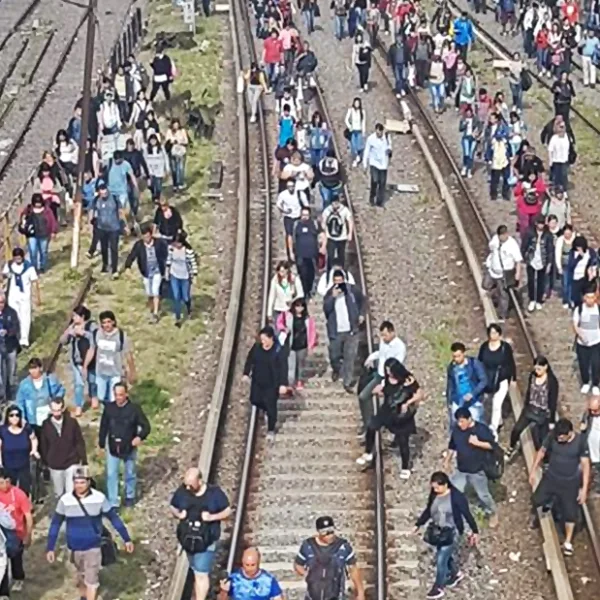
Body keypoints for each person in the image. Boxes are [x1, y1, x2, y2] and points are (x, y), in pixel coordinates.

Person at [46, 466, 134, 600]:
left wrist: (126, 539)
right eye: (76, 482)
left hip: (93, 546)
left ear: (88, 482)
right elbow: (55, 524)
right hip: (74, 548)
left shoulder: (99, 498)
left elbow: (113, 518)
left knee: (92, 580)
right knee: (80, 578)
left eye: (82, 482)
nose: (79, 485)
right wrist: (50, 547)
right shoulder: (65, 500)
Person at [414, 471, 478, 600]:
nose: (435, 490)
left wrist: (474, 531)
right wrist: (419, 524)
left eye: (437, 487)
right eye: (433, 487)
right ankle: (455, 574)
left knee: (441, 559)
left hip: (452, 532)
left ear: (445, 484)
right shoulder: (434, 495)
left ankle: (438, 587)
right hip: (438, 531)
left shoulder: (457, 497)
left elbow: (467, 514)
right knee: (444, 556)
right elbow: (428, 510)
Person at [530, 418, 590, 556]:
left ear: (570, 433)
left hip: (570, 483)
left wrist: (584, 489)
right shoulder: (552, 436)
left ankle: (568, 542)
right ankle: (537, 515)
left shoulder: (580, 442)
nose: (559, 439)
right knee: (537, 499)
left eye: (562, 437)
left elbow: (586, 465)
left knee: (570, 514)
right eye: (558, 437)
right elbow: (542, 451)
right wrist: (533, 470)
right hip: (551, 477)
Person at [170, 468, 231, 600]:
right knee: (194, 568)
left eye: (191, 484)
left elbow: (227, 512)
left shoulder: (214, 493)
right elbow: (173, 506)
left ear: (200, 480)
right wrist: (179, 514)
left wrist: (212, 517)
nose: (187, 487)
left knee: (200, 574)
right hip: (188, 540)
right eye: (186, 484)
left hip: (207, 541)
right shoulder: (183, 491)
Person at [356, 359, 423, 478]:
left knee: (403, 441)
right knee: (371, 426)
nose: (388, 372)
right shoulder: (387, 379)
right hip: (387, 410)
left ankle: (405, 467)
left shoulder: (408, 380)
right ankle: (368, 452)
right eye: (386, 370)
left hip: (400, 414)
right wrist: (379, 391)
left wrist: (408, 403)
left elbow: (419, 394)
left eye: (390, 370)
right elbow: (388, 392)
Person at [99, 382, 150, 508]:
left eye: (121, 395)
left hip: (129, 446)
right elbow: (103, 426)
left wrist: (139, 437)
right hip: (112, 446)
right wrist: (101, 443)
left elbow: (146, 426)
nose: (118, 398)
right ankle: (113, 502)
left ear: (126, 394)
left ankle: (129, 497)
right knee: (111, 474)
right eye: (116, 395)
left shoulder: (134, 409)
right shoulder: (109, 408)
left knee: (130, 472)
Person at [445, 407, 498, 528]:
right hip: (461, 469)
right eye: (458, 421)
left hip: (477, 470)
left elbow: (493, 446)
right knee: (454, 490)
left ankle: (493, 513)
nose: (460, 424)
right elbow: (452, 445)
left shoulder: (481, 430)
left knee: (483, 494)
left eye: (462, 421)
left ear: (469, 419)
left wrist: (477, 443)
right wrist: (447, 460)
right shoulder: (457, 430)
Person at [294, 516, 365, 600]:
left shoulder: (343, 546)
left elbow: (353, 569)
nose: (330, 535)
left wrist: (360, 593)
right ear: (319, 532)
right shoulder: (308, 546)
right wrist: (308, 575)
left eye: (331, 531)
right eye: (325, 533)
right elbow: (298, 564)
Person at [358, 321, 406, 434]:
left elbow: (396, 367)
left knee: (391, 407)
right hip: (380, 375)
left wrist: (384, 385)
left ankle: (394, 431)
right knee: (363, 396)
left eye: (385, 335)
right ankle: (369, 423)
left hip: (392, 380)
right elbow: (382, 353)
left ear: (392, 332)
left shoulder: (400, 347)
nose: (383, 338)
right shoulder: (383, 342)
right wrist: (371, 358)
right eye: (382, 335)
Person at [506, 355, 558, 459]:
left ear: (545, 367)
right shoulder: (532, 376)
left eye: (539, 369)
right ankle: (511, 447)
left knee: (542, 439)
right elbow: (529, 392)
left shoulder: (552, 381)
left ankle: (547, 459)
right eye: (535, 368)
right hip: (530, 409)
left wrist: (551, 420)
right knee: (517, 429)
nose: (537, 371)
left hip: (543, 413)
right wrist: (526, 405)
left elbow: (553, 401)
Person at [242, 327, 288, 442]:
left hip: (272, 384)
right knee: (255, 400)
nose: (263, 342)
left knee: (271, 406)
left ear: (271, 338)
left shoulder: (278, 350)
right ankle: (265, 410)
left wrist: (283, 384)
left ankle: (271, 429)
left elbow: (283, 368)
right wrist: (246, 373)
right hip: (258, 381)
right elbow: (250, 359)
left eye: (265, 339)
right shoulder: (257, 348)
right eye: (261, 339)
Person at [323, 270, 365, 392]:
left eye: (340, 281)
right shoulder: (329, 293)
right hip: (336, 331)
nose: (339, 284)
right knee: (334, 354)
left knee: (350, 357)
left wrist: (361, 314)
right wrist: (332, 297)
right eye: (336, 281)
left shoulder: (352, 290)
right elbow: (326, 309)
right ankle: (336, 369)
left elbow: (363, 301)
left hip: (351, 330)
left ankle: (347, 382)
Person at [84, 311, 136, 404]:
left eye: (108, 322)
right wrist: (85, 366)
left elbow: (128, 353)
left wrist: (132, 371)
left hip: (115, 373)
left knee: (114, 399)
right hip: (100, 372)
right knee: (101, 397)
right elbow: (91, 350)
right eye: (104, 323)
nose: (106, 325)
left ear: (113, 322)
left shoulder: (120, 335)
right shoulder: (97, 334)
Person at [39, 398, 87, 499]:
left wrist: (83, 460)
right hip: (55, 464)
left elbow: (79, 441)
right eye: (54, 410)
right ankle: (60, 513)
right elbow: (43, 445)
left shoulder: (72, 423)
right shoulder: (46, 425)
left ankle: (71, 514)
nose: (56, 413)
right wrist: (46, 462)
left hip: (71, 461)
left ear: (63, 408)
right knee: (59, 494)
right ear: (50, 409)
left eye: (58, 410)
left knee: (71, 493)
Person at [477, 324, 516, 438]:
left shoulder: (505, 348)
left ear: (499, 334)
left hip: (502, 378)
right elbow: (479, 362)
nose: (492, 335)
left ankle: (493, 428)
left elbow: (511, 362)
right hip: (488, 377)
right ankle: (498, 421)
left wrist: (513, 378)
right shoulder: (484, 346)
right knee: (487, 401)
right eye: (491, 333)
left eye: (495, 333)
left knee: (496, 403)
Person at [123, 225, 168, 323]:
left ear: (151, 235)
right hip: (146, 272)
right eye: (144, 237)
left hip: (157, 271)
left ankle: (155, 313)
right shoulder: (139, 245)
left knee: (155, 291)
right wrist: (127, 266)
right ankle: (152, 308)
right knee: (149, 292)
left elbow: (166, 254)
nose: (146, 238)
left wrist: (167, 267)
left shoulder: (159, 243)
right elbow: (132, 256)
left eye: (148, 236)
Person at [59, 305, 98, 416]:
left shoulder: (91, 326)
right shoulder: (72, 327)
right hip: (77, 361)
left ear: (82, 316)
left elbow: (95, 339)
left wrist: (83, 333)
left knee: (92, 381)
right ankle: (79, 406)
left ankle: (94, 396)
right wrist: (68, 333)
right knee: (78, 384)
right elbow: (62, 341)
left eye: (75, 316)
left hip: (91, 360)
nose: (74, 318)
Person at [0, 468, 33, 595]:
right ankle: (3, 592)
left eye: (5, 482)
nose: (3, 486)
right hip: (1, 533)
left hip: (16, 532)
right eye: (0, 483)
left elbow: (28, 516)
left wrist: (28, 534)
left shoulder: (19, 494)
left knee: (16, 558)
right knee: (2, 562)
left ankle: (18, 577)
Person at [482, 225, 523, 320]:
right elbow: (491, 247)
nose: (502, 237)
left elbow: (518, 261)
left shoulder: (512, 245)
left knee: (503, 295)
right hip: (492, 270)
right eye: (501, 235)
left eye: (504, 235)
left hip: (504, 274)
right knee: (485, 285)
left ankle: (502, 315)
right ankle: (495, 293)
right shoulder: (495, 240)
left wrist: (517, 274)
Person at [2, 248, 40, 349]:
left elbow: (34, 281)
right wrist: (6, 276)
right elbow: (4, 275)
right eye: (16, 258)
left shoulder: (29, 267)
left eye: (19, 258)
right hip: (12, 295)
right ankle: (16, 338)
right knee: (14, 317)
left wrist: (37, 297)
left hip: (24, 296)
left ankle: (24, 340)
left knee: (25, 317)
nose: (18, 260)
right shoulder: (9, 265)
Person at [276, 297, 317, 390]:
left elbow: (312, 333)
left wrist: (311, 346)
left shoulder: (308, 319)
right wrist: (284, 328)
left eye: (301, 306)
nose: (299, 309)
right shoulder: (288, 315)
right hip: (291, 344)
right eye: (297, 306)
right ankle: (290, 382)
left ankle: (299, 381)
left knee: (301, 364)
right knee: (291, 364)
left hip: (303, 344)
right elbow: (279, 323)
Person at [16, 358, 65, 430]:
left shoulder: (50, 379)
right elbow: (20, 402)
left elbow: (61, 390)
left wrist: (56, 402)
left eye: (35, 368)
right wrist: (22, 417)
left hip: (49, 413)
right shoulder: (24, 384)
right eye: (31, 368)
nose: (33, 371)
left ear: (40, 368)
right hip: (33, 417)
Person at [445, 343, 487, 427]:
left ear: (464, 353)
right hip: (458, 400)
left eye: (458, 356)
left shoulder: (474, 364)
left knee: (477, 424)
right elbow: (450, 385)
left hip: (474, 401)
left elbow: (484, 380)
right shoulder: (451, 368)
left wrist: (473, 393)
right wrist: (449, 401)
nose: (456, 359)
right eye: (454, 356)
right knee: (456, 425)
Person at [0, 406, 38, 496]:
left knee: (24, 491)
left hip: (24, 465)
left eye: (17, 415)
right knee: (8, 491)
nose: (14, 418)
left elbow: (34, 439)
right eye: (11, 415)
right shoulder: (2, 430)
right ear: (7, 417)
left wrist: (34, 450)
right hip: (8, 466)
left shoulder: (26, 429)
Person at [89, 182, 124, 278]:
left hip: (114, 228)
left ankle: (114, 269)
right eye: (102, 193)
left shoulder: (114, 199)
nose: (104, 194)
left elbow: (120, 211)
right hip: (102, 227)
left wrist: (123, 224)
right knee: (104, 249)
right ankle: (105, 265)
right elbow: (92, 210)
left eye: (105, 192)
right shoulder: (96, 200)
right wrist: (91, 223)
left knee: (114, 249)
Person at [289, 207, 325, 299]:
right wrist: (291, 252)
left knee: (311, 274)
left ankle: (308, 290)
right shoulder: (296, 224)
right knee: (302, 273)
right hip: (300, 254)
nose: (305, 217)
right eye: (303, 215)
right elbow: (290, 238)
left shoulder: (314, 224)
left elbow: (322, 234)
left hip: (312, 254)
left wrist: (323, 247)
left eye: (306, 215)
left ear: (309, 215)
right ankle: (304, 292)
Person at [18, 194, 58, 274]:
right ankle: (34, 268)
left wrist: (53, 231)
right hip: (32, 235)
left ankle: (43, 267)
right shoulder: (29, 210)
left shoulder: (47, 210)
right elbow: (22, 217)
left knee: (43, 251)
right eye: (36, 202)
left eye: (39, 202)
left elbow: (52, 220)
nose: (38, 204)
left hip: (44, 234)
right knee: (33, 252)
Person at [165, 231, 199, 327]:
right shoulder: (171, 249)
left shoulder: (188, 251)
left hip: (185, 276)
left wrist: (195, 276)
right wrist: (167, 271)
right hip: (174, 275)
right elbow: (169, 260)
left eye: (177, 243)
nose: (176, 245)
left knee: (185, 297)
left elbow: (193, 264)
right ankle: (178, 318)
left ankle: (189, 309)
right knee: (176, 297)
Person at [521, 216, 554, 312]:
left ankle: (539, 300)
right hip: (531, 259)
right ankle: (532, 299)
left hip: (542, 261)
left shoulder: (548, 235)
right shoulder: (529, 232)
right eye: (539, 223)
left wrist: (549, 263)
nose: (541, 225)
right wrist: (524, 257)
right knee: (531, 281)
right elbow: (524, 245)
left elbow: (550, 250)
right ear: (536, 224)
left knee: (541, 281)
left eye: (542, 223)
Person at [573, 286, 600, 396]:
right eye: (588, 297)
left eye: (592, 297)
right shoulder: (579, 309)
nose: (590, 300)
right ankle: (585, 382)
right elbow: (575, 324)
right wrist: (580, 335)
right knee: (583, 363)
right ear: (584, 298)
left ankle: (595, 384)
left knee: (596, 364)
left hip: (596, 342)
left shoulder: (598, 309)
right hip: (582, 343)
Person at [362, 123, 392, 207]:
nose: (379, 134)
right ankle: (372, 198)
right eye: (377, 133)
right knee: (374, 181)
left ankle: (379, 201)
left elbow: (390, 145)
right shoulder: (371, 139)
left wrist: (389, 150)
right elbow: (367, 151)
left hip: (383, 164)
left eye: (380, 133)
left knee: (382, 183)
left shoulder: (386, 137)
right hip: (374, 163)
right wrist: (365, 164)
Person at [321, 198, 353, 271]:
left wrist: (350, 233)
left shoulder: (344, 210)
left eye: (336, 203)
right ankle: (329, 272)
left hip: (342, 237)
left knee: (341, 256)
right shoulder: (327, 210)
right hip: (330, 238)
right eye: (333, 203)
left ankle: (342, 271)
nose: (335, 205)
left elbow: (350, 221)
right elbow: (323, 220)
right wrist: (323, 226)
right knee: (330, 256)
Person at [0, 293, 20, 402]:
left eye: (2, 302)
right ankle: (3, 395)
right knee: (1, 373)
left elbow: (16, 327)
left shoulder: (11, 313)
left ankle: (12, 392)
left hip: (10, 346)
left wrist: (8, 332)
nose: (0, 305)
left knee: (11, 372)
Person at [580, 396, 600, 492]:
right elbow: (583, 424)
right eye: (591, 410)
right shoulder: (588, 414)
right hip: (589, 444)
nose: (593, 413)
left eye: (595, 410)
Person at [165, 118, 189, 191]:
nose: (176, 126)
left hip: (181, 152)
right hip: (172, 152)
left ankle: (180, 183)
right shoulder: (169, 131)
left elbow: (186, 141)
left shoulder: (182, 131)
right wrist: (172, 141)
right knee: (174, 169)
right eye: (174, 124)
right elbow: (167, 140)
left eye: (177, 124)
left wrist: (180, 141)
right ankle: (175, 184)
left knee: (180, 168)